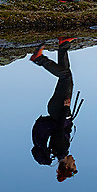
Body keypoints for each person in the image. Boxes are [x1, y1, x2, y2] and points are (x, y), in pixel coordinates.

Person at [30, 37, 79, 182]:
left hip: (59, 109)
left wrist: (65, 108)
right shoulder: (59, 151)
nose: (74, 161)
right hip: (57, 110)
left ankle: (39, 59)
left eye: (73, 165)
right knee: (66, 75)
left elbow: (58, 129)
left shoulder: (60, 150)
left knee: (65, 76)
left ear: (67, 166)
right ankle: (63, 45)